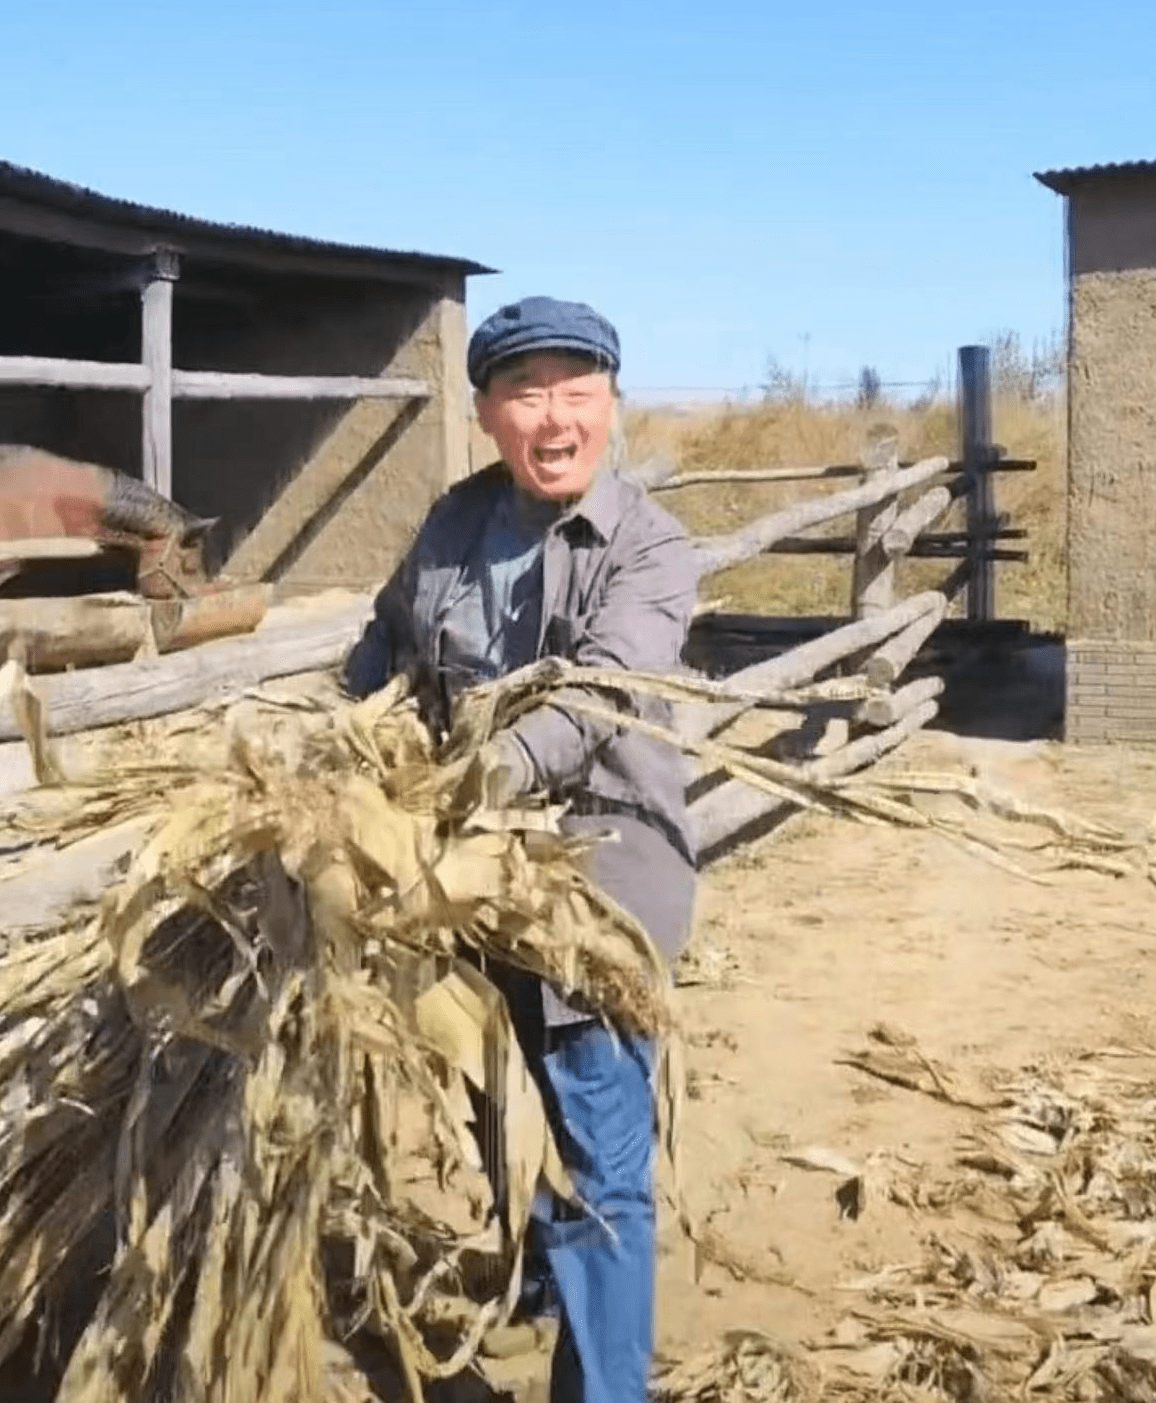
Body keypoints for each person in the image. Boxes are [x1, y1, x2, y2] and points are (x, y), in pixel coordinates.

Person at [344, 295, 698, 1403]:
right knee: (512, 1109)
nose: (553, 418)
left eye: (575, 391)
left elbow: (595, 692)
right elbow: (381, 651)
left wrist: (475, 778)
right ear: (486, 410)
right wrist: (343, 739)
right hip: (462, 886)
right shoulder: (455, 524)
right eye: (525, 392)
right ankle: (540, 1293)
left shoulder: (645, 545)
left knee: (599, 1162)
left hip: (595, 889)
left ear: (610, 405)